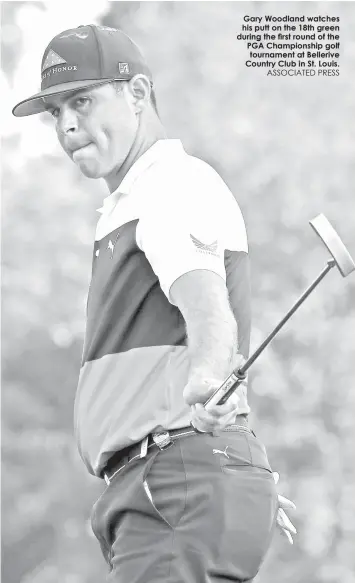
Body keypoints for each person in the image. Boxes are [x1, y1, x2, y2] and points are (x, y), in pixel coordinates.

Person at [13, 24, 296, 582]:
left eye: (84, 100)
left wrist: (209, 383)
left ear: (137, 94)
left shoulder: (165, 187)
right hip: (179, 485)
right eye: (57, 111)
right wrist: (223, 473)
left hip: (171, 483)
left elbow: (209, 310)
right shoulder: (139, 198)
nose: (68, 125)